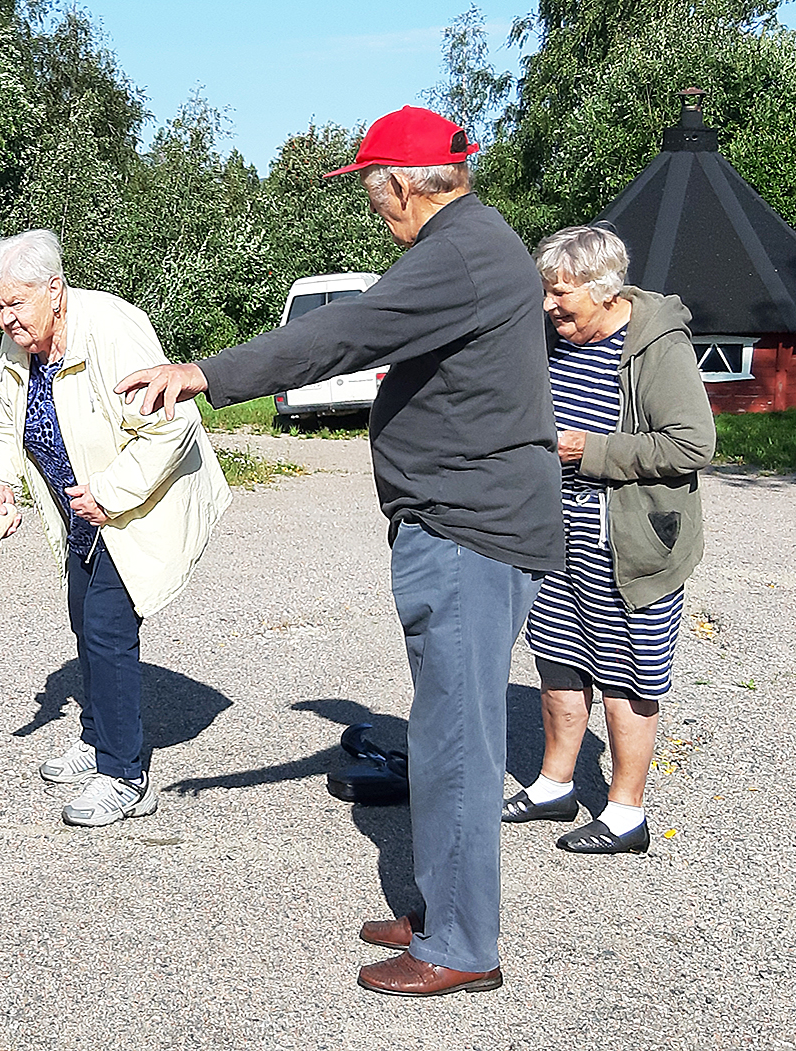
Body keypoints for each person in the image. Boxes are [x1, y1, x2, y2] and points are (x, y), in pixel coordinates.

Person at [117, 107, 563, 996]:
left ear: (397, 183)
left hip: (467, 530)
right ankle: (439, 908)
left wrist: (205, 373)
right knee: (438, 737)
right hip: (461, 522)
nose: (371, 207)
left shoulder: (459, 252)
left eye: (369, 190)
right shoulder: (472, 245)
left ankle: (464, 946)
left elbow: (343, 332)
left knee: (460, 748)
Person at [0, 229, 231, 828]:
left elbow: (174, 423)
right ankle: (96, 739)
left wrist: (111, 494)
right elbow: (3, 424)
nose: (7, 318)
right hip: (77, 511)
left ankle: (124, 774)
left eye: (16, 304)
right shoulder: (20, 345)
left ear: (55, 290)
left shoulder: (113, 328)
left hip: (134, 503)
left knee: (110, 628)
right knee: (83, 617)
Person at [501, 225, 714, 854]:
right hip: (554, 536)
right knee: (559, 665)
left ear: (603, 289)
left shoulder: (656, 345)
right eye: (545, 292)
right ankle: (554, 785)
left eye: (560, 293)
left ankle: (626, 814)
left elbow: (692, 444)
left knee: (627, 679)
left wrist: (587, 451)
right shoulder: (553, 336)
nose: (548, 305)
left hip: (629, 544)